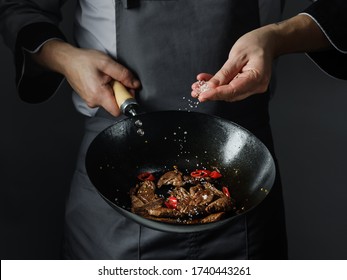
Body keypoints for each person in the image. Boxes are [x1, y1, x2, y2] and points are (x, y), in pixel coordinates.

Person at [0, 0, 344, 260]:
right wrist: (65, 58)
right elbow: (20, 8)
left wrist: (276, 36)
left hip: (242, 170)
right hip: (113, 169)